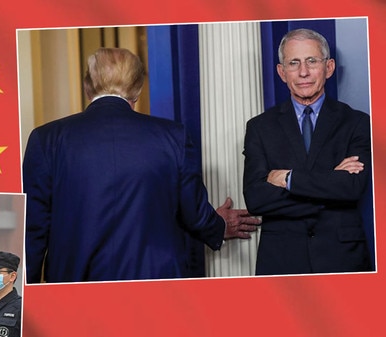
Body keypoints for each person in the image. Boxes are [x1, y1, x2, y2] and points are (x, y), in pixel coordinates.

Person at [23, 47, 261, 283]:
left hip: (74, 293)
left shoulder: (45, 139)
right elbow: (195, 214)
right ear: (137, 90)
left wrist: (16, 304)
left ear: (88, 87)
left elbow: (31, 231)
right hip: (157, 291)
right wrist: (218, 227)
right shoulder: (173, 136)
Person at [243, 28, 372, 275]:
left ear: (329, 67)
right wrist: (329, 183)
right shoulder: (260, 127)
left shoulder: (356, 122)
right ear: (282, 72)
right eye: (294, 63)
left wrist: (287, 179)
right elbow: (256, 199)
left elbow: (351, 187)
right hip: (281, 260)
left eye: (312, 61)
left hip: (342, 259)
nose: (303, 72)